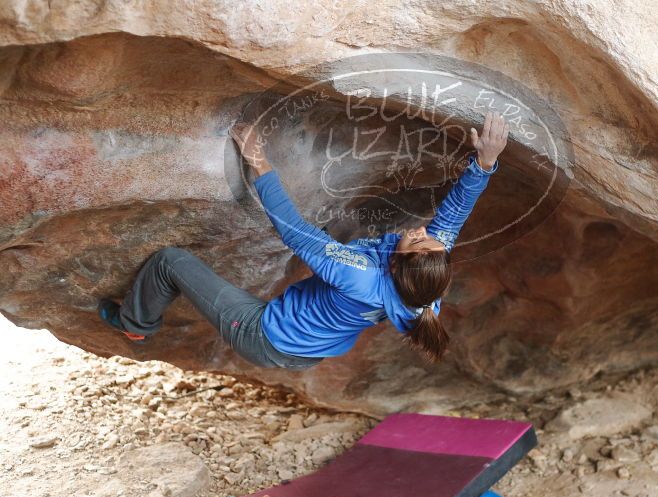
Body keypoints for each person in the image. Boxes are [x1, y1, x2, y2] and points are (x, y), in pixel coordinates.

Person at [98, 111, 509, 370]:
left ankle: (136, 325)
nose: (422, 233)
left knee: (170, 261)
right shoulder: (425, 285)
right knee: (343, 232)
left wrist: (258, 159)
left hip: (263, 335)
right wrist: (486, 161)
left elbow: (293, 231)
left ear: (399, 266)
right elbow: (454, 215)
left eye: (417, 242)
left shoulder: (360, 273)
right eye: (430, 241)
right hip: (307, 352)